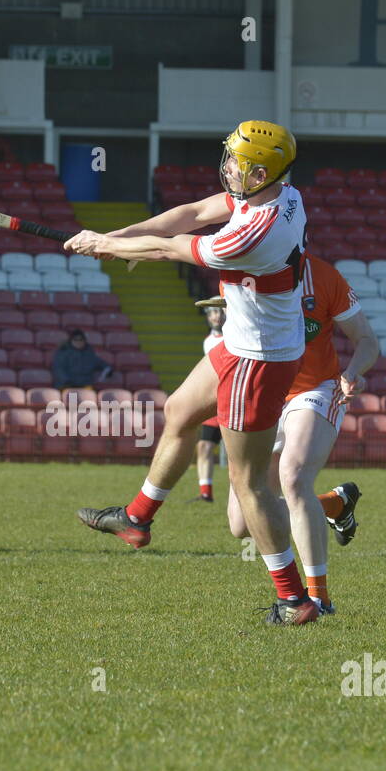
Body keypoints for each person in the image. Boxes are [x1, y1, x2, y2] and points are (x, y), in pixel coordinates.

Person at [69, 120, 319, 625]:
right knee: (178, 409)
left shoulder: (252, 234)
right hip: (241, 341)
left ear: (261, 173)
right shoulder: (281, 193)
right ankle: (136, 519)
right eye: (229, 157)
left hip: (259, 358)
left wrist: (111, 248)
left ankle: (293, 600)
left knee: (250, 486)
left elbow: (172, 247)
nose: (228, 168)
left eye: (238, 164)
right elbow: (191, 213)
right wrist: (115, 237)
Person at [225, 251, 380, 614]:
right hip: (263, 393)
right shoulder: (242, 271)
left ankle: (319, 597)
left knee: (292, 479)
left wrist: (353, 372)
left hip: (315, 390)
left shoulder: (324, 277)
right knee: (240, 524)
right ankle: (332, 503)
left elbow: (367, 340)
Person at [194, 296, 226, 502]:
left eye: (220, 311)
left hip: (236, 402)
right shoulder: (208, 342)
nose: (216, 316)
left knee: (238, 455)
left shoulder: (236, 337)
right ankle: (205, 493)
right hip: (216, 402)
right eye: (212, 312)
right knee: (204, 445)